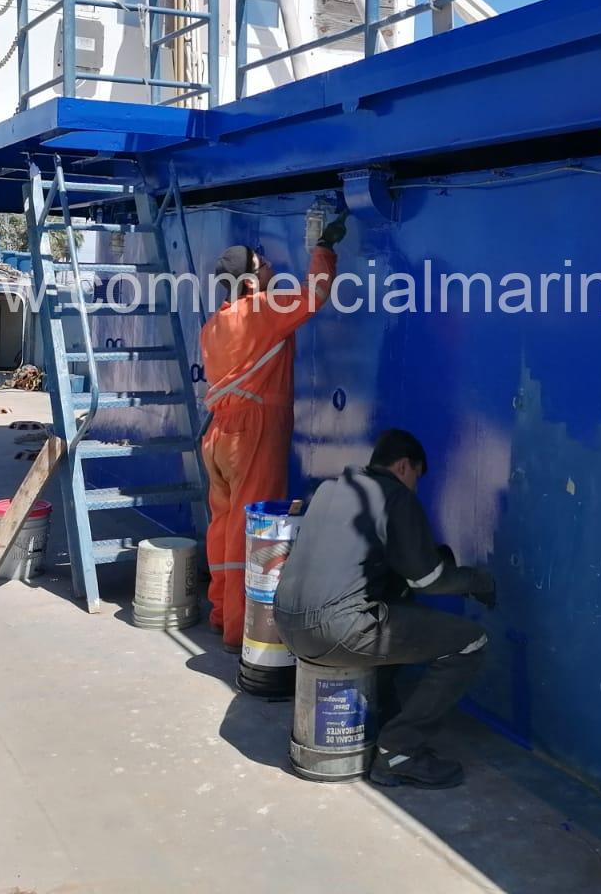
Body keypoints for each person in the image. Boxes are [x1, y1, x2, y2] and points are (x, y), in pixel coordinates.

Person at [274, 428, 497, 790]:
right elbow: (427, 580)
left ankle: (380, 712)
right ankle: (400, 752)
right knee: (471, 642)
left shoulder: (329, 490)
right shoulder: (394, 495)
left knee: (395, 604)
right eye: (417, 479)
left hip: (284, 625)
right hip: (335, 630)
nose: (415, 489)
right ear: (405, 466)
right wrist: (478, 582)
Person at [200, 217, 344, 651]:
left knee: (224, 525)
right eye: (262, 265)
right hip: (253, 432)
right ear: (248, 281)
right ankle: (238, 632)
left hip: (218, 436)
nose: (269, 268)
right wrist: (323, 247)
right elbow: (316, 293)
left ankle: (221, 610)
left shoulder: (213, 325)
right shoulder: (263, 311)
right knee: (255, 529)